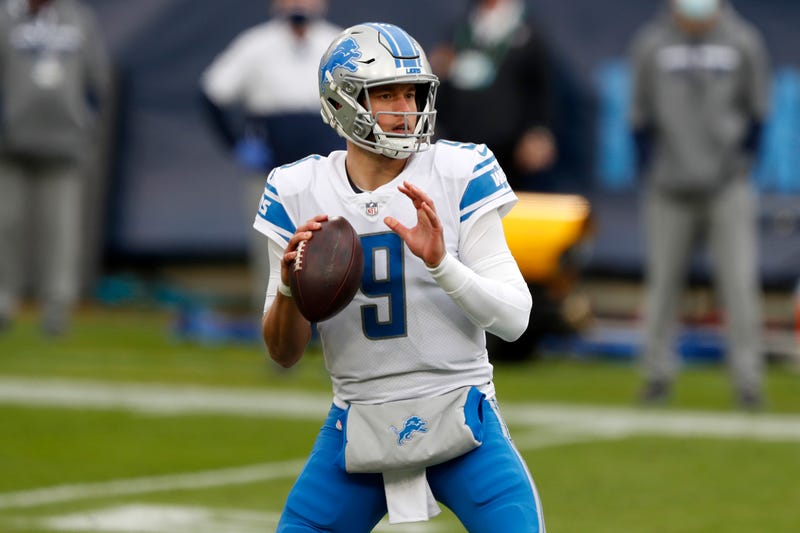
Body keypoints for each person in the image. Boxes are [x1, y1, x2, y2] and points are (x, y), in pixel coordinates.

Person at [255, 22, 545, 532]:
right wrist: (287, 289)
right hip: (357, 418)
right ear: (342, 102)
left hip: (463, 413)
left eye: (412, 93)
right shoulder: (296, 189)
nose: (405, 109)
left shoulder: (458, 171)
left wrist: (442, 265)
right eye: (386, 94)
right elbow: (283, 353)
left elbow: (516, 319)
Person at [629, 0, 771, 409]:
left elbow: (758, 111)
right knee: (662, 286)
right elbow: (639, 115)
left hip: (727, 185)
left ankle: (748, 382)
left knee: (740, 285)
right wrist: (653, 169)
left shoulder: (743, 40)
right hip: (668, 187)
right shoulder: (652, 42)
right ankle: (656, 376)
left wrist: (738, 166)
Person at [200, 0, 342, 312]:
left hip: (328, 164)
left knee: (331, 248)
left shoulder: (339, 44)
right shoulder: (256, 44)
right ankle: (274, 328)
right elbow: (213, 91)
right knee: (273, 248)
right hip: (272, 165)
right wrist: (237, 144)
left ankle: (327, 329)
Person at [0, 0, 111, 336]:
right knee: (6, 223)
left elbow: (97, 77)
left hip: (65, 142)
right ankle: (4, 299)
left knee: (61, 229)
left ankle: (57, 307)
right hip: (9, 141)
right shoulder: (5, 16)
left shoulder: (77, 18)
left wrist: (84, 122)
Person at [429, 0, 557, 190]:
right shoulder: (462, 30)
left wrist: (539, 131)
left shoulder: (529, 34)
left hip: (509, 155)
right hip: (460, 147)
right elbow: (446, 84)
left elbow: (542, 90)